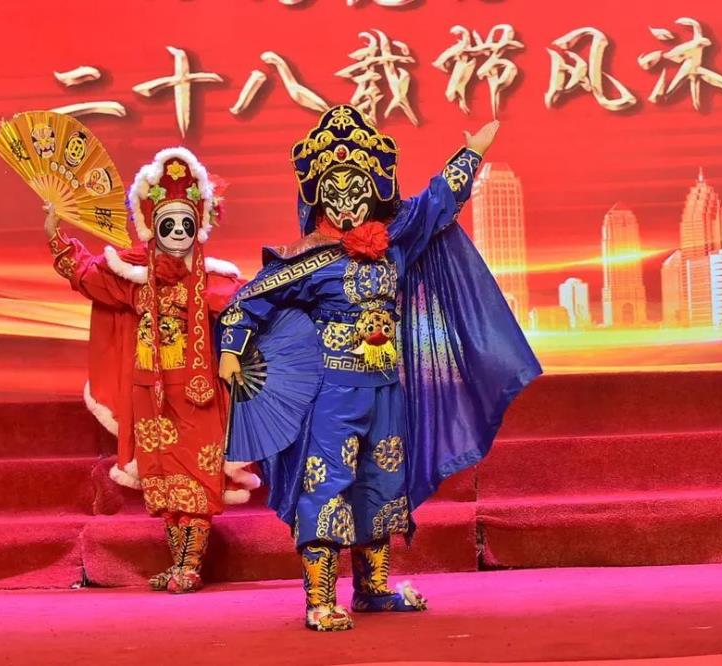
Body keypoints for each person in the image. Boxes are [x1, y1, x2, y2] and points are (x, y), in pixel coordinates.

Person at [218, 105, 541, 630]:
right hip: (331, 393)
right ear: (318, 197)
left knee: (381, 480)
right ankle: (320, 600)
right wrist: (232, 351)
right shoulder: (309, 259)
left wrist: (472, 151)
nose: (346, 202)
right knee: (328, 482)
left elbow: (437, 202)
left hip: (385, 388)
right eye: (333, 191)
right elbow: (246, 303)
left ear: (374, 190)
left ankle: (372, 589)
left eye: (356, 190)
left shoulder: (395, 243)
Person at [45, 147, 258, 593]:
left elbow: (252, 308)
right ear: (152, 227)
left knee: (197, 477)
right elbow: (87, 276)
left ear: (198, 226)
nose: (178, 231)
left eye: (186, 224)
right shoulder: (134, 278)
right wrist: (55, 236)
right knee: (161, 478)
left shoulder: (213, 279)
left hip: (198, 395)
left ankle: (190, 566)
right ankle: (178, 561)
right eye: (169, 224)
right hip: (150, 393)